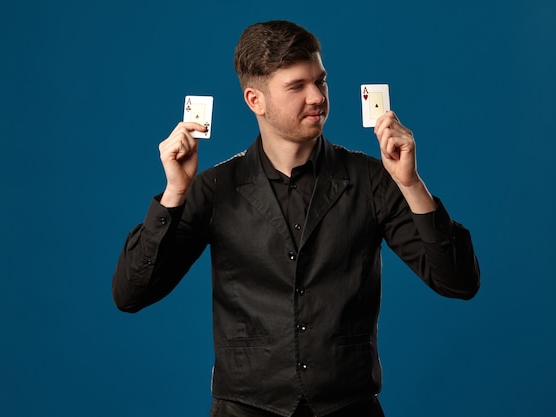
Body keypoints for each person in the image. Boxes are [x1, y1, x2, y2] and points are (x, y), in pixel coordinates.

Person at [112, 20, 480, 417]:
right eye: (297, 86)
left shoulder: (374, 179)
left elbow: (458, 282)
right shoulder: (214, 187)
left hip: (348, 406)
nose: (317, 97)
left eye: (320, 82)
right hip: (245, 408)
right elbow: (130, 294)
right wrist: (174, 195)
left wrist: (411, 185)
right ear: (256, 100)